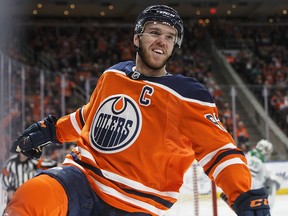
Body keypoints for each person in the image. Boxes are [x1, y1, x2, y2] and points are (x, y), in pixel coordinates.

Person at [5, 5, 270, 216]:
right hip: (81, 179)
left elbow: (220, 151)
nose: (162, 41)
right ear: (137, 37)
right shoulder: (113, 75)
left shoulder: (187, 95)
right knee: (30, 196)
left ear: (174, 46)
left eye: (170, 37)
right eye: (154, 32)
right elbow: (89, 116)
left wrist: (242, 193)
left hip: (137, 206)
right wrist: (52, 131)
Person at [246, 139, 281, 209]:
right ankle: (268, 209)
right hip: (253, 193)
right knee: (272, 183)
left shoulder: (248, 155)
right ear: (265, 150)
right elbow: (265, 177)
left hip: (241, 188)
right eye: (268, 151)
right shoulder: (260, 162)